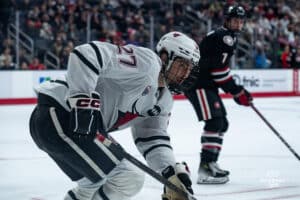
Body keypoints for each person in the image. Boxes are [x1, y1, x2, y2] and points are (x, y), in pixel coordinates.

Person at [29, 31, 200, 200]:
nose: (185, 74)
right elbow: (86, 53)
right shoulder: (148, 64)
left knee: (92, 185)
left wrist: (170, 172)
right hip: (60, 113)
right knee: (129, 178)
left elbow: (153, 137)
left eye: (190, 68)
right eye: (182, 65)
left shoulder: (164, 100)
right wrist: (83, 101)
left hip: (55, 124)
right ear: (164, 57)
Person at [182, 5, 253, 184]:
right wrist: (237, 91)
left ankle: (211, 163)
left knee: (222, 122)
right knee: (215, 121)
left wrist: (237, 91)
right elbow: (219, 71)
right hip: (198, 84)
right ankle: (205, 169)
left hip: (205, 84)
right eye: (235, 19)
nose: (238, 23)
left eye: (241, 20)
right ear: (227, 20)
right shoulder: (225, 38)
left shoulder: (223, 36)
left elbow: (218, 69)